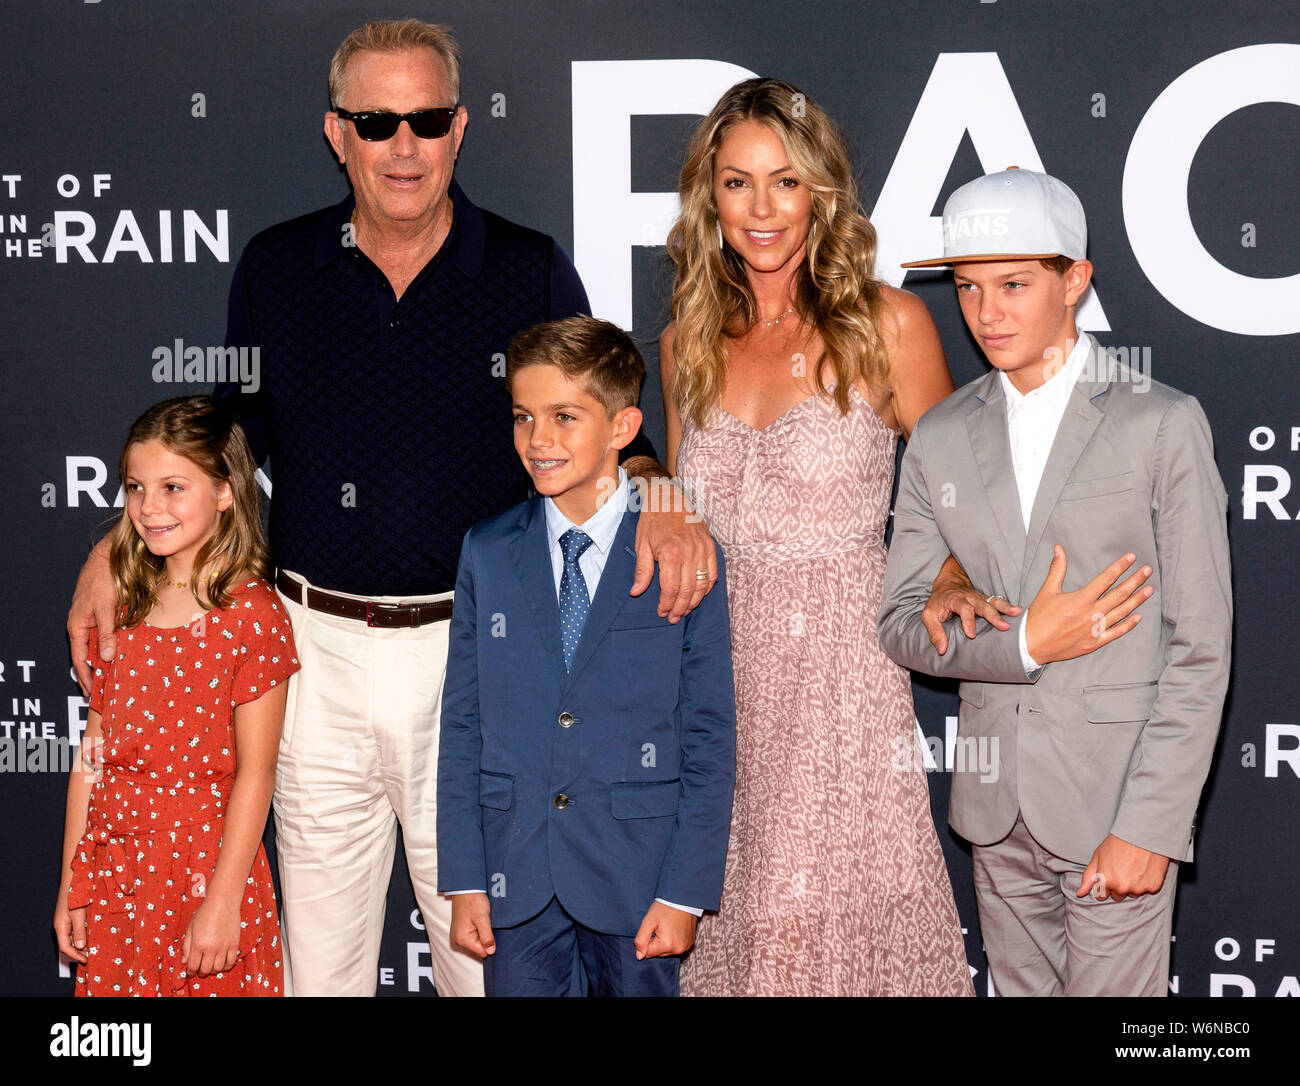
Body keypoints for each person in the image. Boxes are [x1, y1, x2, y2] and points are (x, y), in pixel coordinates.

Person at [65, 19, 713, 997]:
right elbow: (225, 443)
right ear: (337, 134)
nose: (401, 146)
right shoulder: (277, 268)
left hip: (479, 658)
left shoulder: (527, 267)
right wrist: (112, 542)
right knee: (318, 967)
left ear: (458, 128)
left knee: (478, 959)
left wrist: (661, 491)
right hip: (308, 652)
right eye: (376, 122)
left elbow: (602, 407)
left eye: (422, 120)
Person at [878, 167, 1232, 996]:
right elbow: (900, 621)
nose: (986, 312)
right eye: (966, 287)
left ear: (1074, 281)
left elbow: (1201, 647)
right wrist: (1030, 639)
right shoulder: (939, 433)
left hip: (1114, 804)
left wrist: (1151, 823)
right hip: (995, 815)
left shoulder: (1162, 422)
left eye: (1013, 284)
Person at [659, 77, 974, 996]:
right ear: (708, 197)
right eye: (738, 182)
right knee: (740, 913)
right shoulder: (686, 343)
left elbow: (961, 491)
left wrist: (950, 566)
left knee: (824, 920)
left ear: (821, 195)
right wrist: (651, 495)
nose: (762, 208)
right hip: (718, 667)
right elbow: (677, 502)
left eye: (786, 183)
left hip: (842, 671)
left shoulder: (889, 324)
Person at [437, 317, 735, 997]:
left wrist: (685, 894)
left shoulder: (680, 554)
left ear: (624, 427)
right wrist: (465, 878)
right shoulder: (487, 551)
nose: (538, 440)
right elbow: (462, 726)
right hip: (517, 880)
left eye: (564, 417)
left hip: (637, 881)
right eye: (522, 417)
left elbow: (709, 734)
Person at [54, 397, 297, 996]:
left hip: (205, 870)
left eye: (172, 486)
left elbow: (256, 773)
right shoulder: (124, 604)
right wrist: (71, 883)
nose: (149, 507)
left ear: (224, 491)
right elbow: (92, 757)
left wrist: (222, 902)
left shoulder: (254, 615)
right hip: (114, 874)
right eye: (136, 487)